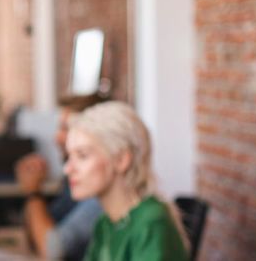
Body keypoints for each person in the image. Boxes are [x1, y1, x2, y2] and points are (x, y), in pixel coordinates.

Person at [63, 102, 189, 261]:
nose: (67, 169)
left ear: (121, 160)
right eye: (69, 156)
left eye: (82, 155)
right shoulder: (105, 224)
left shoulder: (151, 223)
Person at [14, 94, 107, 260]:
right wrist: (33, 190)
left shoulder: (101, 197)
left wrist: (33, 192)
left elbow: (52, 250)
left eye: (65, 128)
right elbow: (36, 237)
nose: (57, 137)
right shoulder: (70, 183)